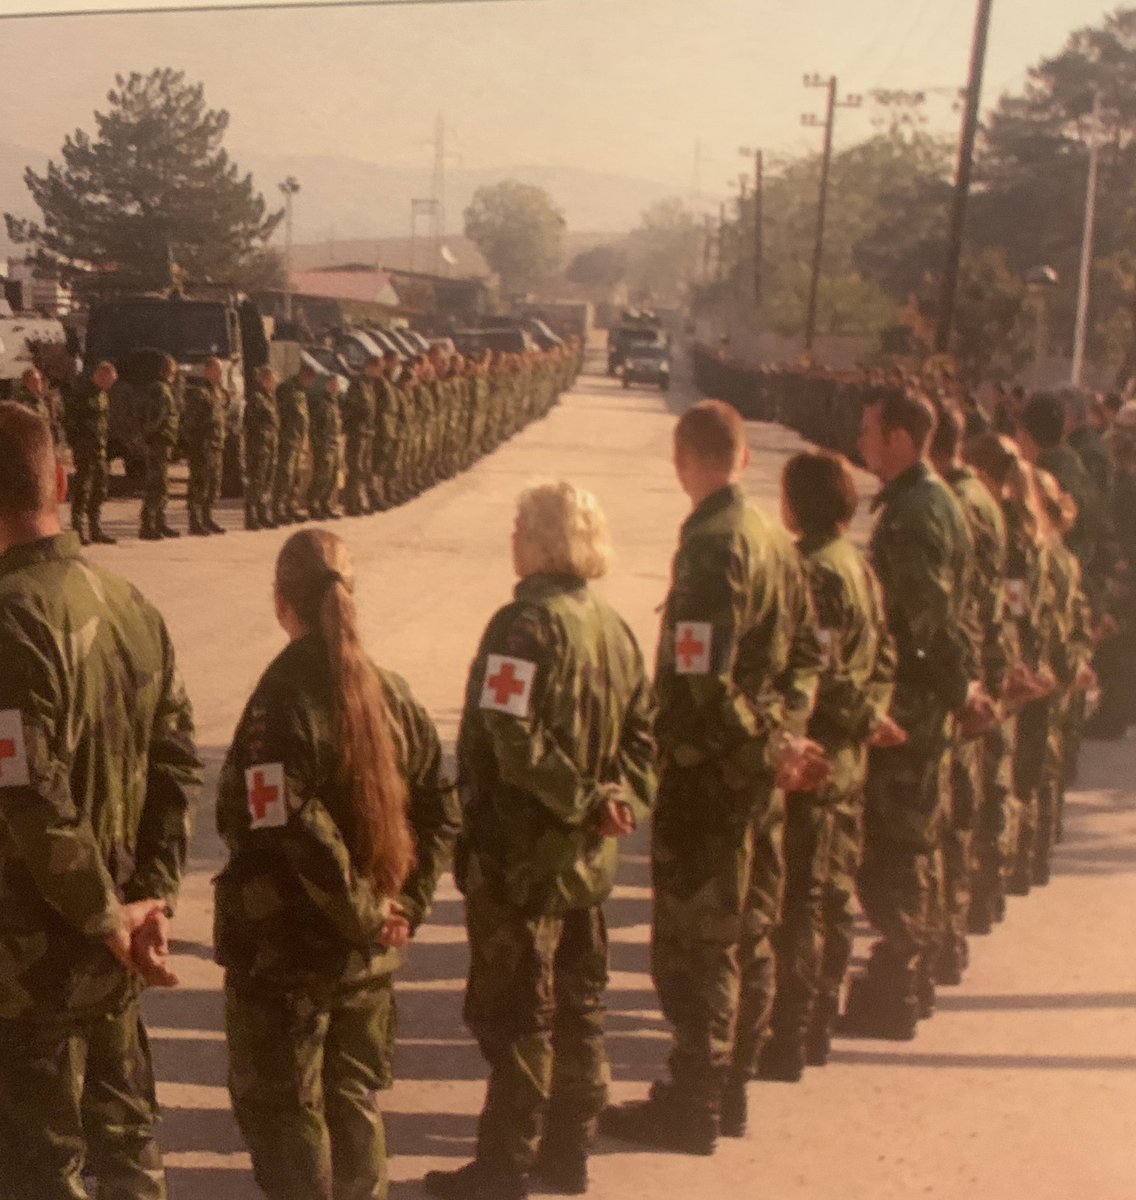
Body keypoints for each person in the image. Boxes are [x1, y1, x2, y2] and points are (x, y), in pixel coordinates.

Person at [601, 400, 827, 1155]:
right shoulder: (773, 537)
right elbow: (804, 662)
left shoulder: (713, 543)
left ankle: (693, 1100)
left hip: (711, 778)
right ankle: (730, 1093)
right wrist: (786, 739)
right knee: (750, 931)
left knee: (697, 947)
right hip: (759, 776)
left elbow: (701, 681)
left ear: (685, 460)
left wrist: (764, 748)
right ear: (744, 458)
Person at [425, 482, 656, 1200]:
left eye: (522, 525)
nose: (513, 537)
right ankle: (568, 1153)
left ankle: (505, 1166)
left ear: (549, 539)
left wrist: (586, 801)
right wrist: (621, 800)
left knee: (518, 1015)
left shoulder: (521, 624)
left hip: (520, 861)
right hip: (586, 866)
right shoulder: (614, 629)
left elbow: (509, 733)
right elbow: (646, 738)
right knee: (581, 1011)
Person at [216, 528, 459, 1200]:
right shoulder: (394, 692)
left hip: (294, 956)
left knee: (287, 1115)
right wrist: (402, 905)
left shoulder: (281, 697)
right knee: (352, 1104)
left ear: (280, 601)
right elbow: (441, 807)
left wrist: (370, 910)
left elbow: (279, 817)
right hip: (368, 960)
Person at [0, 400, 202, 1199]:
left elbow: (29, 797)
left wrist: (108, 915)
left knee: (40, 1172)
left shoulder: (12, 622)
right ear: (60, 478)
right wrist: (152, 896)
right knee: (127, 1155)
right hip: (114, 957)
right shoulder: (128, 605)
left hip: (31, 972)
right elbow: (178, 765)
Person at [841, 386, 993, 1041]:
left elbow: (925, 624)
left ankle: (897, 982)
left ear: (902, 437)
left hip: (910, 708)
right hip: (924, 704)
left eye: (871, 430)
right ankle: (910, 975)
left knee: (895, 851)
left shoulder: (915, 512)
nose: (862, 441)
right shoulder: (933, 502)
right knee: (914, 845)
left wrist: (960, 691)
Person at [761, 450, 896, 1080]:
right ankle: (817, 1025)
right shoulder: (859, 565)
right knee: (834, 896)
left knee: (802, 900)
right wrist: (873, 715)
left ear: (797, 504)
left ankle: (790, 1033)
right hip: (849, 760)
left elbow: (825, 673)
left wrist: (853, 718)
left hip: (817, 756)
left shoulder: (814, 570)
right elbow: (884, 655)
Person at [63, 359, 118, 545]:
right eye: (109, 381)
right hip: (85, 448)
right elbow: (71, 421)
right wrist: (76, 444)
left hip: (100, 449)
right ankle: (78, 530)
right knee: (83, 489)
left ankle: (96, 528)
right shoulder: (81, 393)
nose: (110, 385)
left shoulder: (103, 395)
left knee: (100, 488)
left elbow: (104, 423)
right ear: (100, 376)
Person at [182, 356, 229, 536]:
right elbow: (190, 422)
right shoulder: (200, 393)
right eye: (217, 370)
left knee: (213, 484)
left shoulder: (218, 392)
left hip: (216, 445)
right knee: (199, 484)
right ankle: (195, 521)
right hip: (202, 446)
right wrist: (195, 443)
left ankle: (207, 518)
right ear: (207, 371)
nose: (220, 374)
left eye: (221, 371)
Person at [139, 354, 181, 541]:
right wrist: (150, 438)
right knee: (155, 485)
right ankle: (148, 526)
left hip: (163, 443)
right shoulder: (160, 390)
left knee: (162, 486)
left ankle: (160, 522)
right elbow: (155, 418)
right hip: (158, 443)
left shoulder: (165, 389)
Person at [273, 363, 315, 525]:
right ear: (304, 375)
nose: (310, 384)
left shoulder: (301, 391)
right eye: (309, 380)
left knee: (294, 476)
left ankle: (291, 507)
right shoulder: (287, 388)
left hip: (297, 439)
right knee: (285, 475)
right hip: (287, 439)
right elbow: (280, 413)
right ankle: (278, 509)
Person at [244, 365, 280, 532]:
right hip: (259, 447)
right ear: (265, 380)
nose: (275, 383)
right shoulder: (257, 399)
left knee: (266, 482)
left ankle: (263, 514)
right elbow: (252, 424)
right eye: (272, 380)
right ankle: (251, 517)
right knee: (256, 482)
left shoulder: (270, 398)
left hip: (270, 446)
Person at [307, 372, 344, 520]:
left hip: (334, 443)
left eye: (337, 385)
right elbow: (315, 426)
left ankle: (326, 505)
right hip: (323, 444)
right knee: (321, 476)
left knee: (332, 476)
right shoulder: (320, 403)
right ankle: (314, 505)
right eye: (333, 384)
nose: (336, 388)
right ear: (327, 385)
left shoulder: (333, 402)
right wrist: (318, 443)